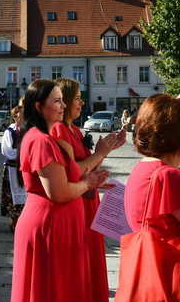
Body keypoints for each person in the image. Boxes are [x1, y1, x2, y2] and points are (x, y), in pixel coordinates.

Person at [11, 79, 109, 302]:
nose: (63, 106)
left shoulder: (42, 138)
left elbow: (67, 176)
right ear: (38, 107)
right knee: (54, 291)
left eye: (63, 100)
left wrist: (92, 179)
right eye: (57, 101)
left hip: (58, 225)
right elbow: (59, 192)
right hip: (50, 226)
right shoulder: (42, 141)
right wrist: (88, 183)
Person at [117, 94, 180, 297]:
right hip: (177, 285)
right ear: (177, 133)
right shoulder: (170, 177)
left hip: (155, 282)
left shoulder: (144, 169)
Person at [50, 78, 126, 302]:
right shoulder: (59, 130)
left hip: (87, 200)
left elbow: (87, 167)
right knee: (76, 264)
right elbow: (70, 172)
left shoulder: (73, 129)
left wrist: (107, 152)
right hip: (75, 202)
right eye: (77, 99)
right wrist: (100, 153)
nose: (81, 104)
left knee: (89, 258)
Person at [0, 105, 25, 231]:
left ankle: (24, 222)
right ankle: (14, 222)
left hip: (25, 169)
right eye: (22, 113)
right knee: (13, 195)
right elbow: (7, 151)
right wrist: (24, 153)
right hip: (12, 168)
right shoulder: (9, 131)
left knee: (26, 195)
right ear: (15, 116)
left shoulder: (29, 130)